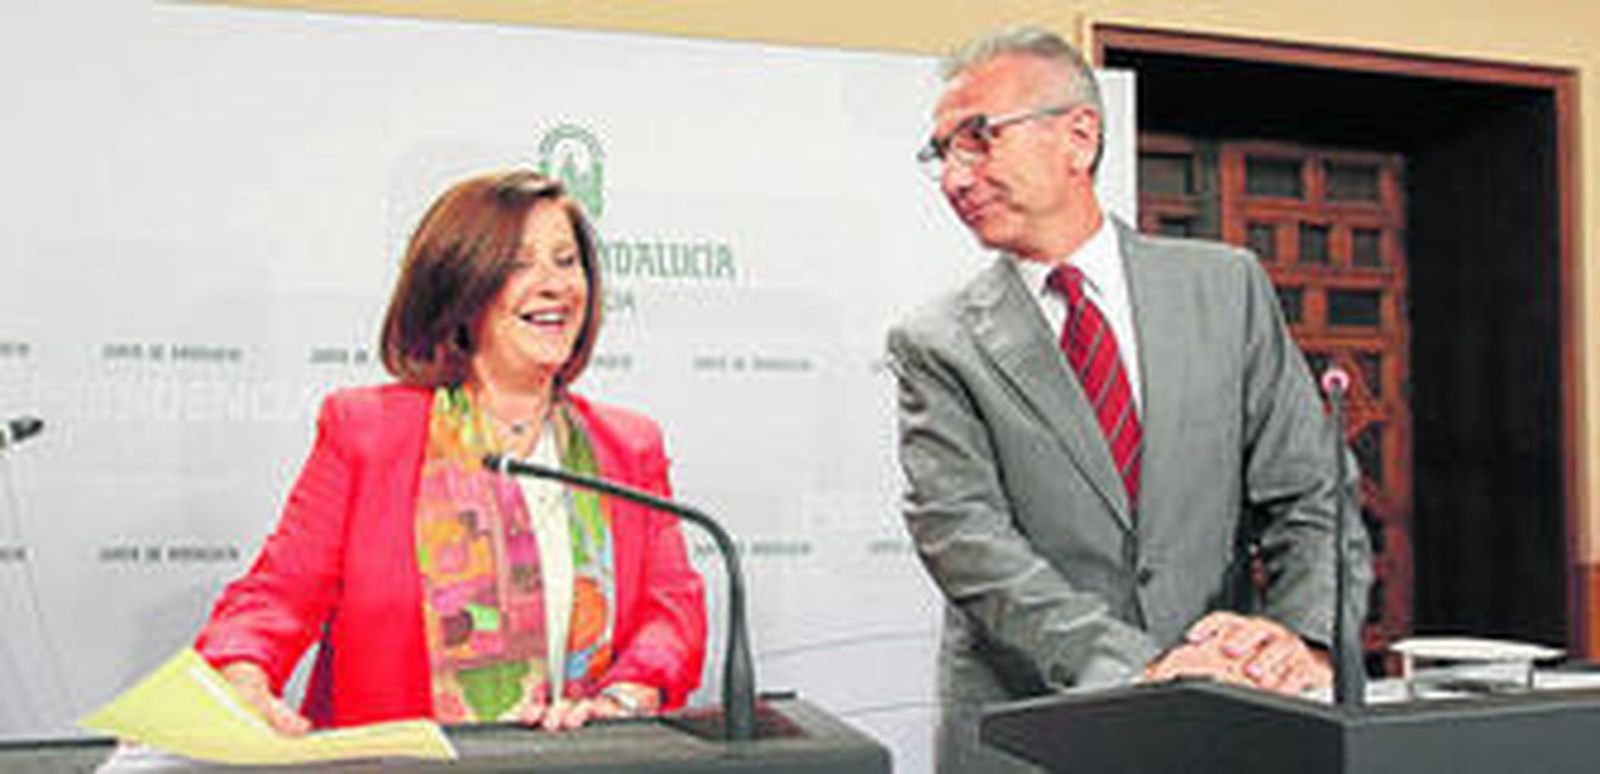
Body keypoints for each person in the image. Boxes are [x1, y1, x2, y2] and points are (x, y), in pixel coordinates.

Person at [887, 27, 1372, 772]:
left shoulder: (1226, 288)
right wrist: (1142, 671)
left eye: (977, 140)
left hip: (1227, 715)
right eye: (942, 154)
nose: (955, 178)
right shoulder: (937, 341)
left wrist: (1299, 638)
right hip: (1027, 733)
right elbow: (966, 540)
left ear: (1079, 137)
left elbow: (1313, 494)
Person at [195, 169, 706, 733]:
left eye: (566, 261)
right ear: (462, 286)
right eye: (519, 263)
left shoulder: (628, 447)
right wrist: (242, 676)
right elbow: (277, 598)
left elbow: (671, 612)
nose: (555, 285)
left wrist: (621, 702)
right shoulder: (367, 432)